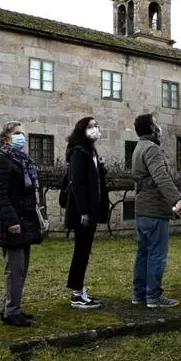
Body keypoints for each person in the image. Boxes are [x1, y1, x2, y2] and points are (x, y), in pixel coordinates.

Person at [0, 121, 44, 327]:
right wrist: (12, 221)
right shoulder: (2, 160)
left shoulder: (21, 160)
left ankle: (9, 308)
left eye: (23, 133)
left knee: (21, 268)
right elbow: (1, 194)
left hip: (25, 220)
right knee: (15, 268)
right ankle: (12, 311)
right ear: (6, 138)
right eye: (17, 133)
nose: (22, 137)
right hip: (13, 222)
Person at [131, 114, 181, 308]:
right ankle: (154, 297)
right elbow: (161, 177)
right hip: (154, 209)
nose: (158, 127)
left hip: (142, 209)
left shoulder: (139, 147)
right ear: (151, 128)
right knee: (156, 254)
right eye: (155, 123)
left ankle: (139, 295)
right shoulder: (152, 148)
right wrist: (177, 199)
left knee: (143, 254)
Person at [63, 117, 110, 309]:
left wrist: (101, 168)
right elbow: (78, 184)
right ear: (82, 130)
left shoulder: (91, 151)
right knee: (81, 251)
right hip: (83, 211)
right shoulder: (79, 152)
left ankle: (79, 290)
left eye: (96, 125)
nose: (95, 129)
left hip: (91, 208)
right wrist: (83, 211)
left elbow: (93, 178)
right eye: (90, 126)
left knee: (84, 251)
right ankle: (76, 294)